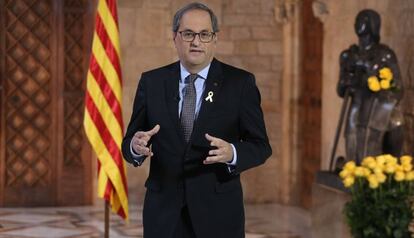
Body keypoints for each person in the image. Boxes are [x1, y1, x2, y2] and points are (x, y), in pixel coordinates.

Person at [121, 2, 272, 238]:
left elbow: (261, 146)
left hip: (219, 214)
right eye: (188, 33)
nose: (196, 41)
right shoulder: (152, 82)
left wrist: (232, 152)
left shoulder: (240, 84)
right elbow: (130, 141)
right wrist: (135, 146)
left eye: (204, 34)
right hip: (163, 214)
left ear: (215, 39)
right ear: (175, 37)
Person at [337, 9, 403, 165]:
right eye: (357, 20)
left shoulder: (384, 54)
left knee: (372, 148)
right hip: (356, 107)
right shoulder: (347, 55)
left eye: (363, 20)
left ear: (374, 24)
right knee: (353, 153)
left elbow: (398, 88)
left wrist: (373, 77)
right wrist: (346, 81)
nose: (358, 23)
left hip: (376, 109)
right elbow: (340, 90)